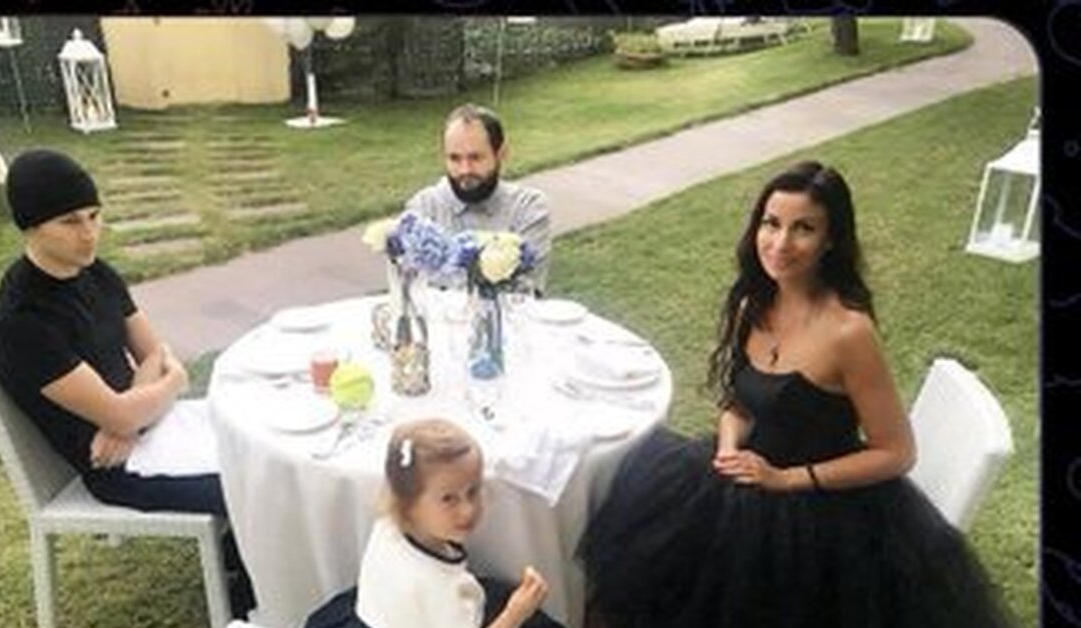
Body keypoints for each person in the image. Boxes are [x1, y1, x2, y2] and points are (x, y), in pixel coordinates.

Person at [577, 161, 1014, 628]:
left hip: (818, 508)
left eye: (803, 228)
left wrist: (786, 479)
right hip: (744, 474)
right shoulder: (753, 303)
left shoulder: (849, 332)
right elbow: (741, 402)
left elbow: (897, 453)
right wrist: (728, 446)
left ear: (831, 240)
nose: (781, 243)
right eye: (772, 223)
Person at [0, 148, 255, 618]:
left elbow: (151, 355)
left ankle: (244, 557)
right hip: (117, 469)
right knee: (257, 478)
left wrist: (130, 412)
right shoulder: (22, 319)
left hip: (144, 430)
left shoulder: (96, 273)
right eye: (70, 221)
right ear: (30, 226)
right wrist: (159, 391)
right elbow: (156, 376)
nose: (89, 233)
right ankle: (255, 601)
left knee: (255, 436)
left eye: (94, 215)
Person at [305, 418, 563, 628]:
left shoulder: (390, 522)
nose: (468, 510)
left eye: (473, 491)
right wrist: (516, 613)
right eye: (449, 499)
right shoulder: (439, 589)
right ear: (408, 501)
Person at [405, 103, 551, 293]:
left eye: (475, 158)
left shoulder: (528, 207)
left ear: (501, 154)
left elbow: (527, 292)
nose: (465, 170)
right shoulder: (423, 208)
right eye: (455, 158)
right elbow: (411, 291)